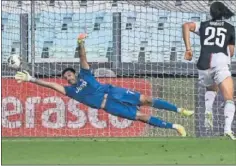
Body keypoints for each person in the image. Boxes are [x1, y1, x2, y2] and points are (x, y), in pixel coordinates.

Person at [15, 34, 194, 137]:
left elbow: (83, 58)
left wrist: (80, 44)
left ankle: (180, 110)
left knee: (146, 99)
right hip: (108, 105)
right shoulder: (70, 91)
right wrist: (31, 79)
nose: (67, 77)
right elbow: (51, 85)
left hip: (114, 92)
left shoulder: (85, 74)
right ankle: (175, 127)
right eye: (65, 76)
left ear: (74, 73)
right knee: (141, 116)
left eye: (69, 74)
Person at [182, 1, 235, 139]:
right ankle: (228, 129)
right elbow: (231, 51)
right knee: (229, 98)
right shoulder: (230, 28)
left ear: (211, 13)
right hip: (220, 63)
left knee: (211, 89)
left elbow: (186, 25)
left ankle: (208, 110)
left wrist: (188, 49)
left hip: (203, 65)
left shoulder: (204, 26)